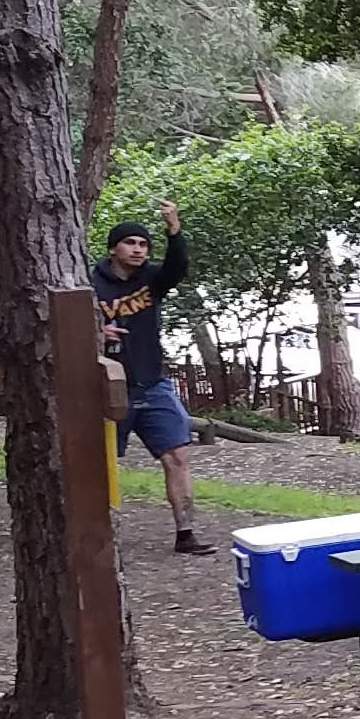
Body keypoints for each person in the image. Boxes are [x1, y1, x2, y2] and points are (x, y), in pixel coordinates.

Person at [92, 207, 207, 553]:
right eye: (130, 243)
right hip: (108, 387)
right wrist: (97, 330)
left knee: (177, 456)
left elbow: (178, 268)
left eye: (144, 243)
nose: (139, 249)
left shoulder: (152, 280)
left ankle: (185, 533)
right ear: (114, 248)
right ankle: (96, 538)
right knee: (99, 464)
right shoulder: (89, 282)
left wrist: (174, 229)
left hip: (152, 382)